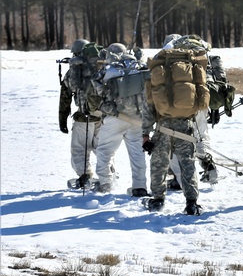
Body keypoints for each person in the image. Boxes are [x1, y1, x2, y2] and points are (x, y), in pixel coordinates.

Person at [141, 38, 208, 215]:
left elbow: (149, 105)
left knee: (159, 165)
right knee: (188, 165)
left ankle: (157, 200)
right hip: (186, 124)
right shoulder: (191, 70)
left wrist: (145, 134)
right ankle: (191, 203)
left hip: (163, 126)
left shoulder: (158, 73)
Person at [162, 34, 221, 187]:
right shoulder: (197, 54)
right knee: (201, 135)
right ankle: (208, 163)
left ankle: (178, 177)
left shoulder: (170, 57)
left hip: (180, 103)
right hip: (202, 100)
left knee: (176, 138)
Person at [92, 43, 149, 196]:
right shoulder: (138, 67)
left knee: (104, 151)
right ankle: (140, 187)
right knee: (137, 154)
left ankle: (105, 183)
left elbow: (98, 90)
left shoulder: (110, 70)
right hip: (137, 118)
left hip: (115, 117)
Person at [58, 38, 104, 189]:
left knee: (79, 149)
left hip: (83, 117)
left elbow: (65, 96)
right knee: (102, 148)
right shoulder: (101, 66)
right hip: (103, 116)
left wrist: (62, 119)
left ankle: (85, 175)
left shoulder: (74, 71)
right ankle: (107, 174)